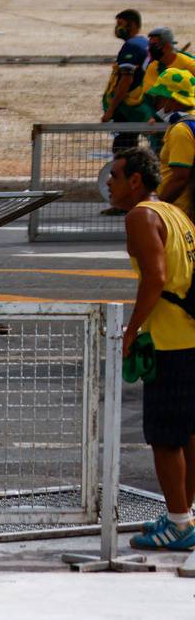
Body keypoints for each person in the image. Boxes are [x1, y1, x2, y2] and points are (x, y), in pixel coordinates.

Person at [108, 148, 195, 550]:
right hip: (189, 335)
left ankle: (178, 524)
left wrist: (131, 331)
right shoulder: (176, 213)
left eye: (115, 176)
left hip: (171, 340)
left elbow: (155, 278)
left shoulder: (141, 216)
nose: (109, 183)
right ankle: (182, 512)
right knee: (187, 433)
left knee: (164, 437)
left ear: (135, 182)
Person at [153, 67, 195, 219]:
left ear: (173, 99)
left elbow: (180, 178)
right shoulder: (190, 121)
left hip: (182, 213)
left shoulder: (181, 129)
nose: (156, 103)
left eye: (159, 97)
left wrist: (157, 207)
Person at [103, 9, 150, 133]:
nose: (117, 28)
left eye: (120, 24)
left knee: (123, 144)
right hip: (142, 102)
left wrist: (111, 109)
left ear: (133, 25)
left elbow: (126, 80)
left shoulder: (131, 46)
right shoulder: (144, 42)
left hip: (129, 107)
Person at [143, 27, 195, 119]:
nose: (150, 48)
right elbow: (150, 95)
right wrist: (152, 117)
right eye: (150, 44)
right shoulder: (153, 66)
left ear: (167, 46)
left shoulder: (189, 65)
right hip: (163, 116)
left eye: (154, 45)